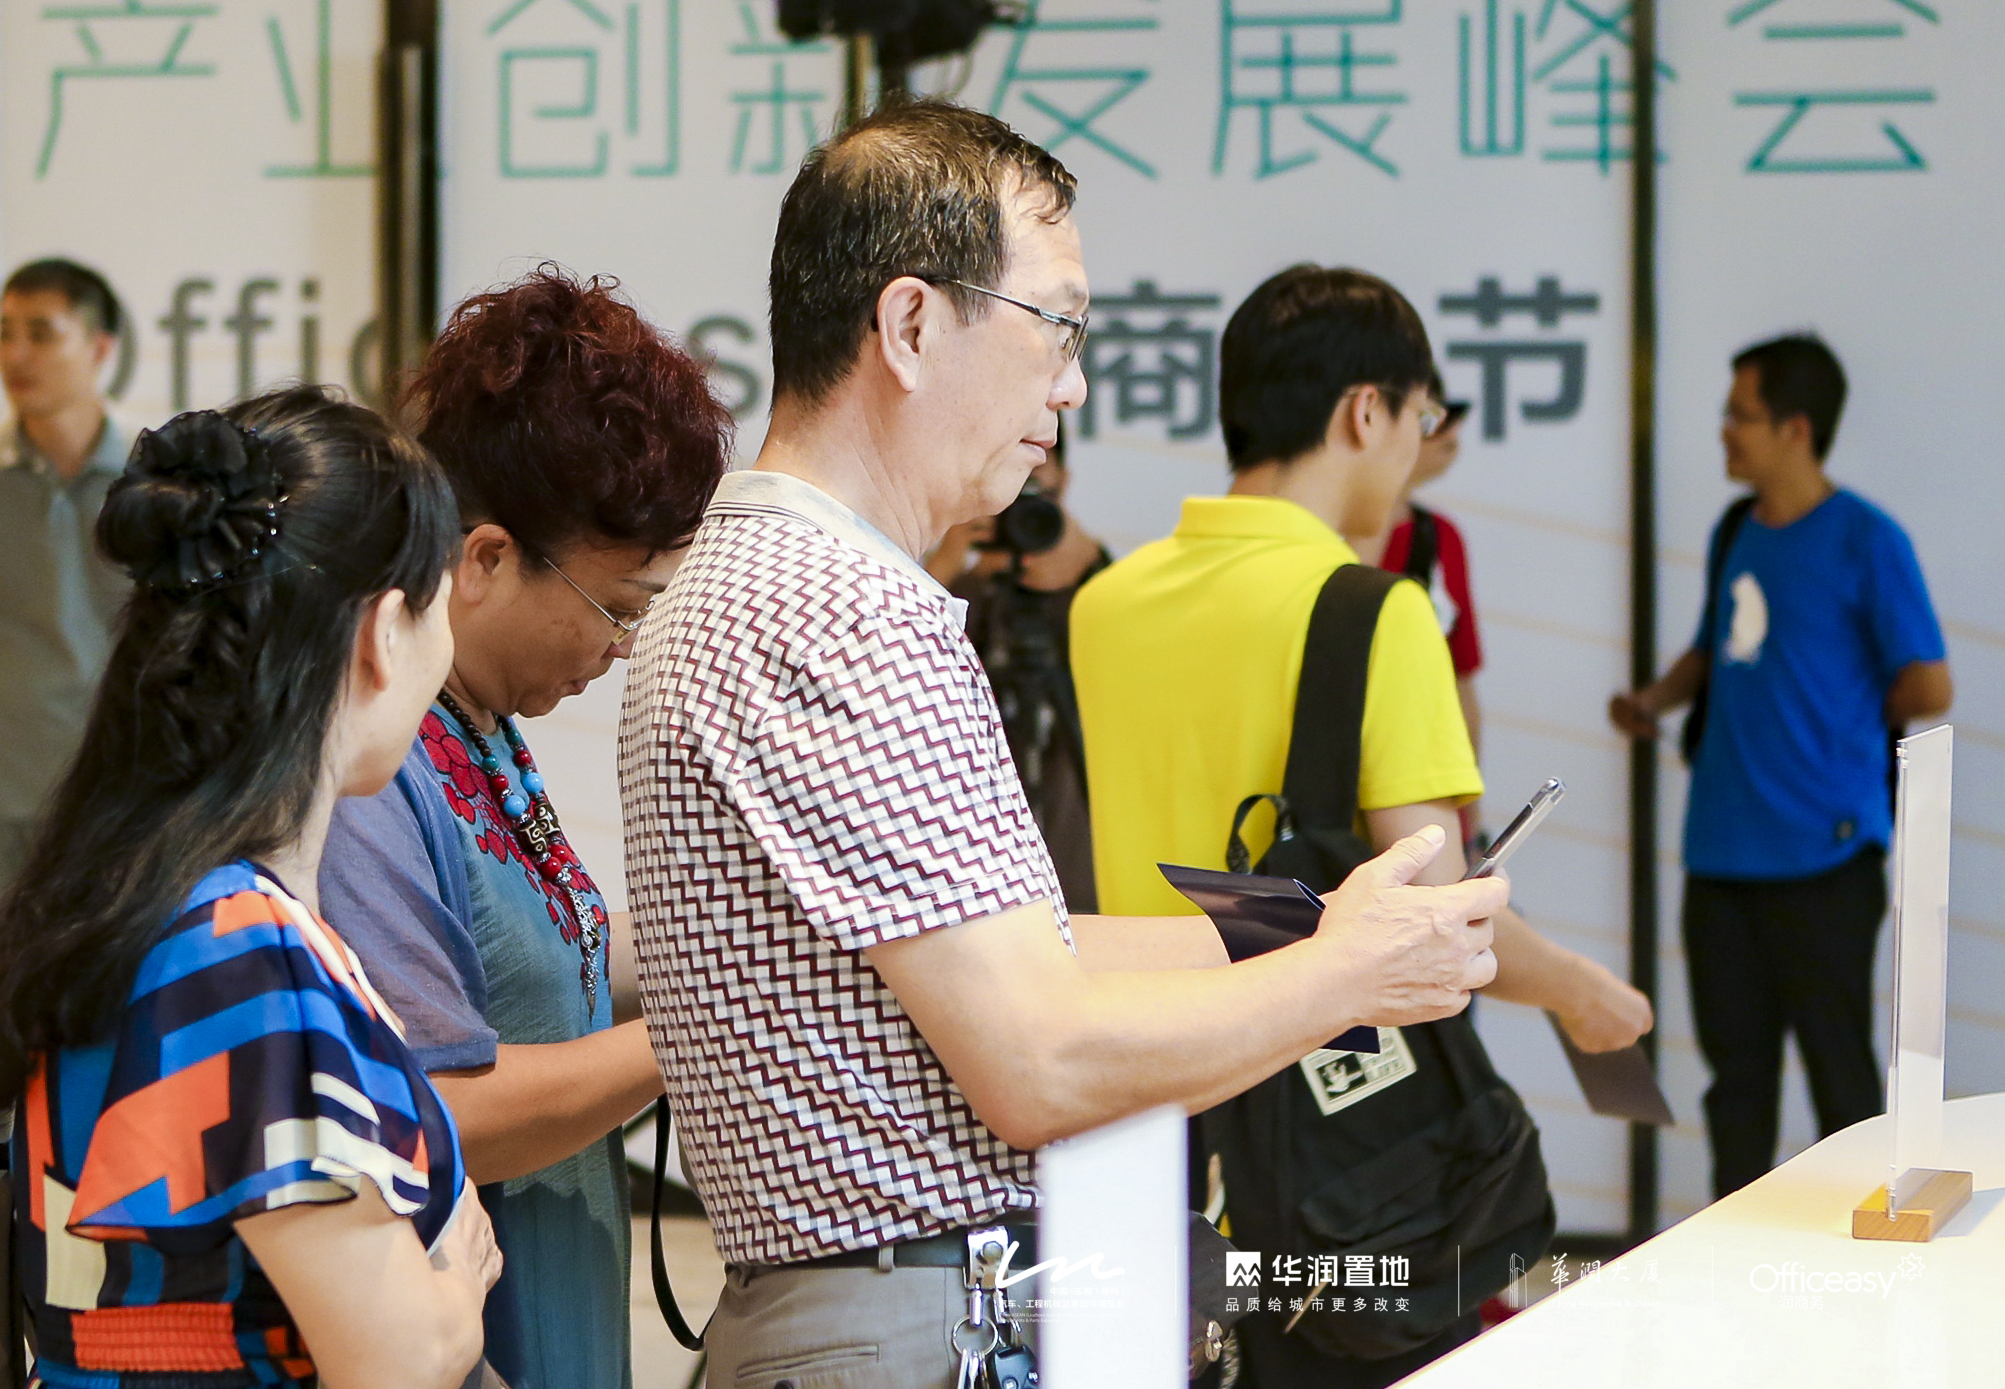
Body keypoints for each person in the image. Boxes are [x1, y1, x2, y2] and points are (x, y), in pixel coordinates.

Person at [619, 101, 1514, 1389]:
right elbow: (1036, 1062)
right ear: (910, 326)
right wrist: (1349, 977)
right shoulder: (837, 611)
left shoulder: (773, 577)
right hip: (908, 1330)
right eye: (1056, 324)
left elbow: (1005, 947)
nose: (1072, 382)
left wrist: (1313, 930)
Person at [1069, 265, 1650, 1386]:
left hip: (1147, 1116)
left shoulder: (1105, 606)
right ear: (1365, 412)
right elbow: (1435, 918)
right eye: (1420, 420)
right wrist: (1583, 992)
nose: (1414, 451)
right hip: (1331, 1146)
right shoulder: (1375, 613)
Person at [0, 388, 500, 1387]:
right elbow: (398, 1358)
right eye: (440, 607)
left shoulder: (141, 901)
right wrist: (459, 1279)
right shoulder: (245, 956)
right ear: (382, 633)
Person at [318, 266, 729, 1389]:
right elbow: (432, 1105)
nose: (622, 649)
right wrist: (706, 1025)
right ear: (487, 559)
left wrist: (747, 944)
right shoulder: (375, 773)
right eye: (618, 608)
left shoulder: (483, 728)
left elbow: (557, 955)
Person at [1610, 333, 1952, 1199]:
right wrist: (1653, 700)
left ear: (1796, 428)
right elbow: (1714, 648)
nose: (1725, 430)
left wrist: (1843, 721)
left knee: (1840, 1074)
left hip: (1826, 856)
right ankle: (1736, 1247)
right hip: (1721, 853)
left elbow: (1929, 681)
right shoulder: (1735, 529)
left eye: (1742, 414)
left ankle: (1868, 1247)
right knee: (1736, 1084)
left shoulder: (1867, 538)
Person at [0, 258, 134, 1345]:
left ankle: (113, 1267)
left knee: (119, 1026)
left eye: (40, 332)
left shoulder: (150, 479)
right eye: (5, 331)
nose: (14, 354)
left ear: (99, 349)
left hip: (117, 809)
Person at [924, 435, 1108, 910]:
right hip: (976, 848)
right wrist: (947, 564)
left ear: (1063, 481)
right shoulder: (962, 593)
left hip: (1074, 837)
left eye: (1037, 479)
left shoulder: (1097, 587)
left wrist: (1091, 567)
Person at [1352, 373, 1483, 760]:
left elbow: (1460, 680)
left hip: (1418, 767)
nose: (1450, 431)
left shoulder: (1440, 536)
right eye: (1430, 419)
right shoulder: (1320, 534)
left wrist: (1468, 788)